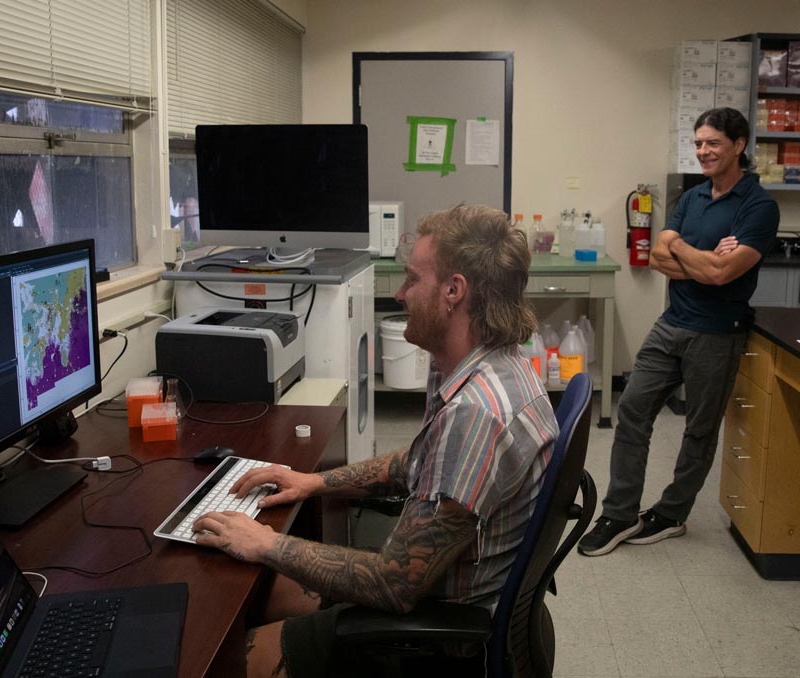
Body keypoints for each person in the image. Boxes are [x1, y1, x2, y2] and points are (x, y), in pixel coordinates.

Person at [192, 204, 559, 677]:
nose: (402, 292)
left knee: (229, 657)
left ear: (453, 291)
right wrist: (314, 482)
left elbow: (396, 584)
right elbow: (420, 461)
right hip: (441, 586)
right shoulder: (485, 365)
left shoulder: (477, 413)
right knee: (265, 588)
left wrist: (267, 543)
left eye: (412, 279)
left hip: (443, 634)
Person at [578, 108, 780, 557]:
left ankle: (671, 513)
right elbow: (655, 258)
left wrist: (683, 249)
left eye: (713, 143)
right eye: (698, 143)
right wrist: (704, 257)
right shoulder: (691, 198)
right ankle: (619, 512)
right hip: (671, 324)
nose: (703, 151)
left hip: (717, 333)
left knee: (699, 429)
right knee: (632, 410)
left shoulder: (758, 207)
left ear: (739, 145)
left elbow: (724, 274)